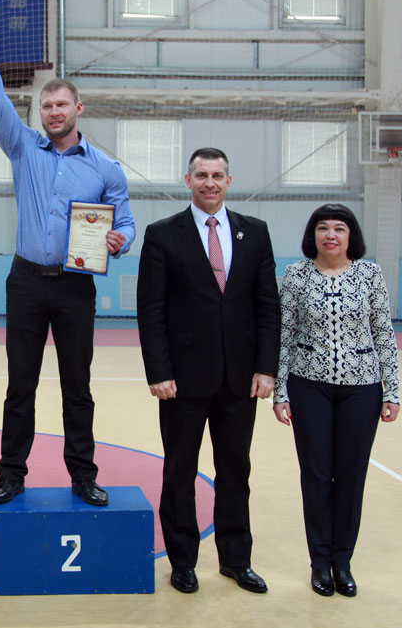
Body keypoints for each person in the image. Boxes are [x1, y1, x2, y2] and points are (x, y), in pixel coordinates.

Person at [0, 0, 136, 507]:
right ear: (39, 113)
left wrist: (119, 240)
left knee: (76, 387)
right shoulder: (22, 146)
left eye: (62, 105)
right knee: (20, 386)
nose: (54, 113)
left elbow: (126, 224)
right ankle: (11, 474)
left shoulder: (106, 168)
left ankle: (83, 475)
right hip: (25, 282)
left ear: (78, 109)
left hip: (74, 287)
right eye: (46, 107)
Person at [137, 147, 280, 595]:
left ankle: (236, 560)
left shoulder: (255, 232)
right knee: (180, 471)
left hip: (240, 378)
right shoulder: (163, 235)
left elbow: (267, 306)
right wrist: (158, 371)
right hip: (181, 380)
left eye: (217, 175)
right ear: (188, 180)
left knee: (236, 471)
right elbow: (151, 309)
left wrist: (267, 368)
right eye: (202, 175)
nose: (210, 183)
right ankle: (183, 562)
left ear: (229, 181)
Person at [272, 203, 400, 598]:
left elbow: (383, 332)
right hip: (308, 387)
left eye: (339, 228)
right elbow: (284, 335)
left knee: (350, 475)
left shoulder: (370, 274)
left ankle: (342, 561)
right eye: (323, 228)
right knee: (315, 475)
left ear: (350, 236)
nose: (331, 235)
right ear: (312, 235)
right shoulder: (296, 275)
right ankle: (319, 562)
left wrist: (392, 390)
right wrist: (280, 391)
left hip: (362, 389)